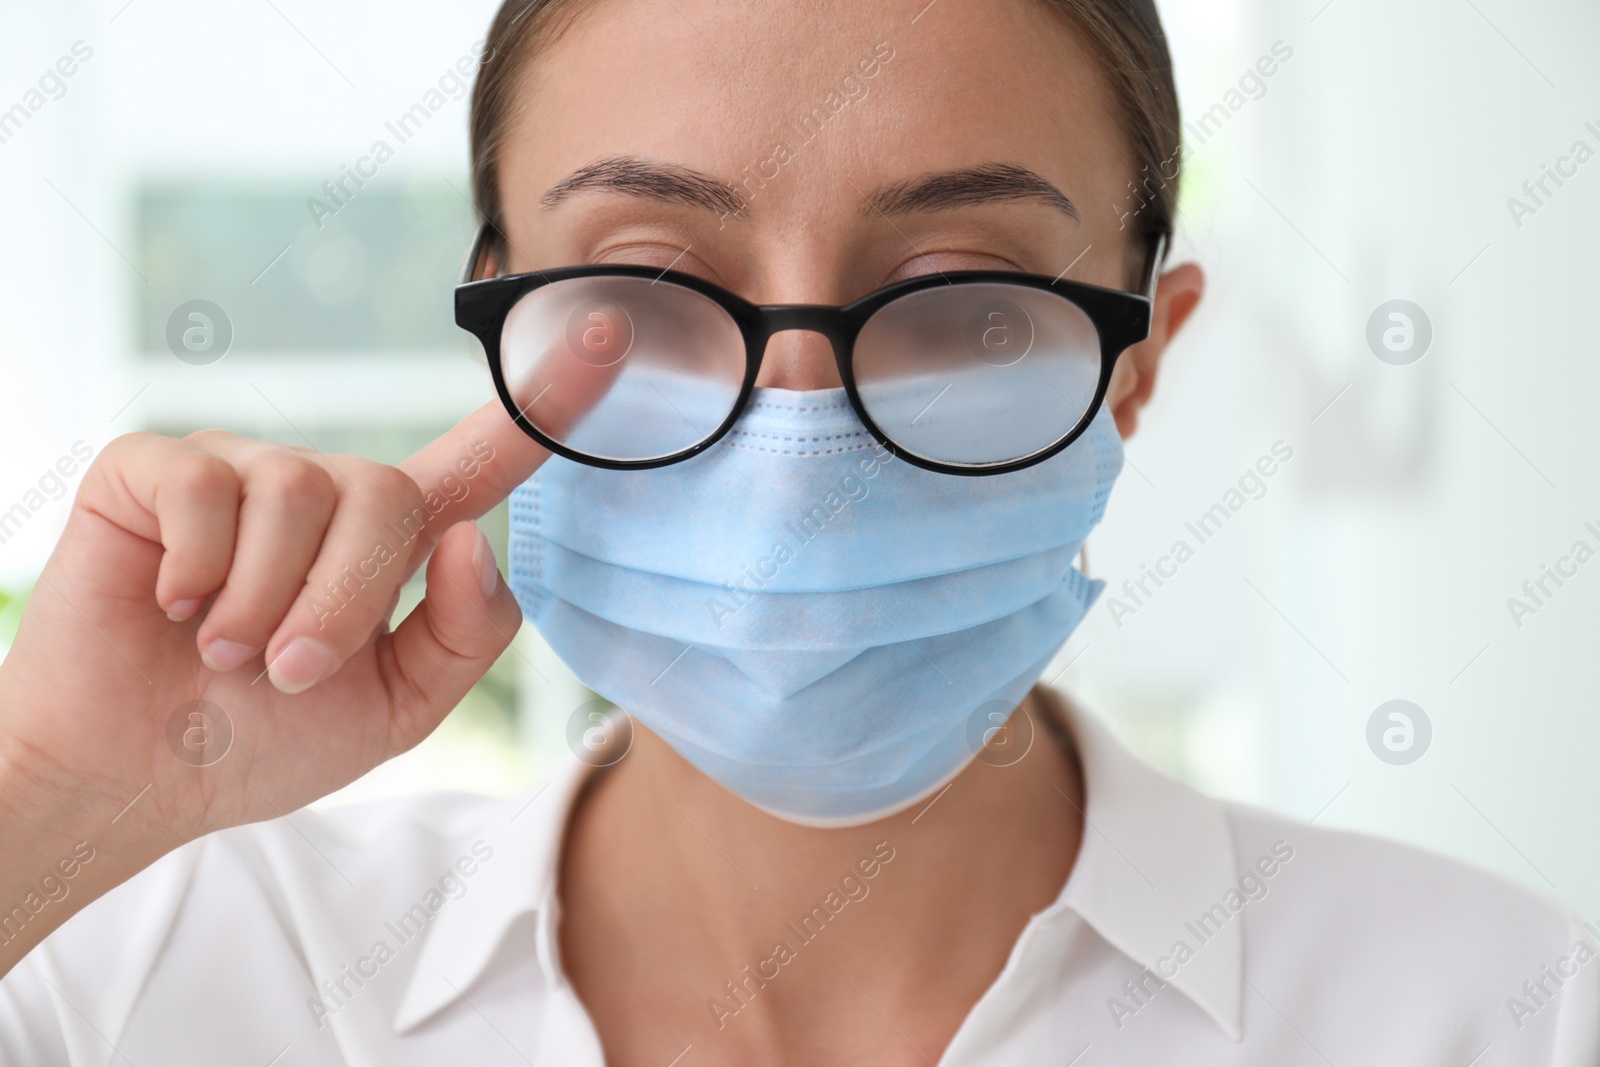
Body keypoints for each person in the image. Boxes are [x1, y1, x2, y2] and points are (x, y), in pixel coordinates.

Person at [0, 0, 1593, 1063]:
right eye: (646, 283)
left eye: (964, 294)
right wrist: (45, 803)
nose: (800, 426)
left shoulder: (1496, 1013)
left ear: (1142, 358)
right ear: (498, 309)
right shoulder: (134, 974)